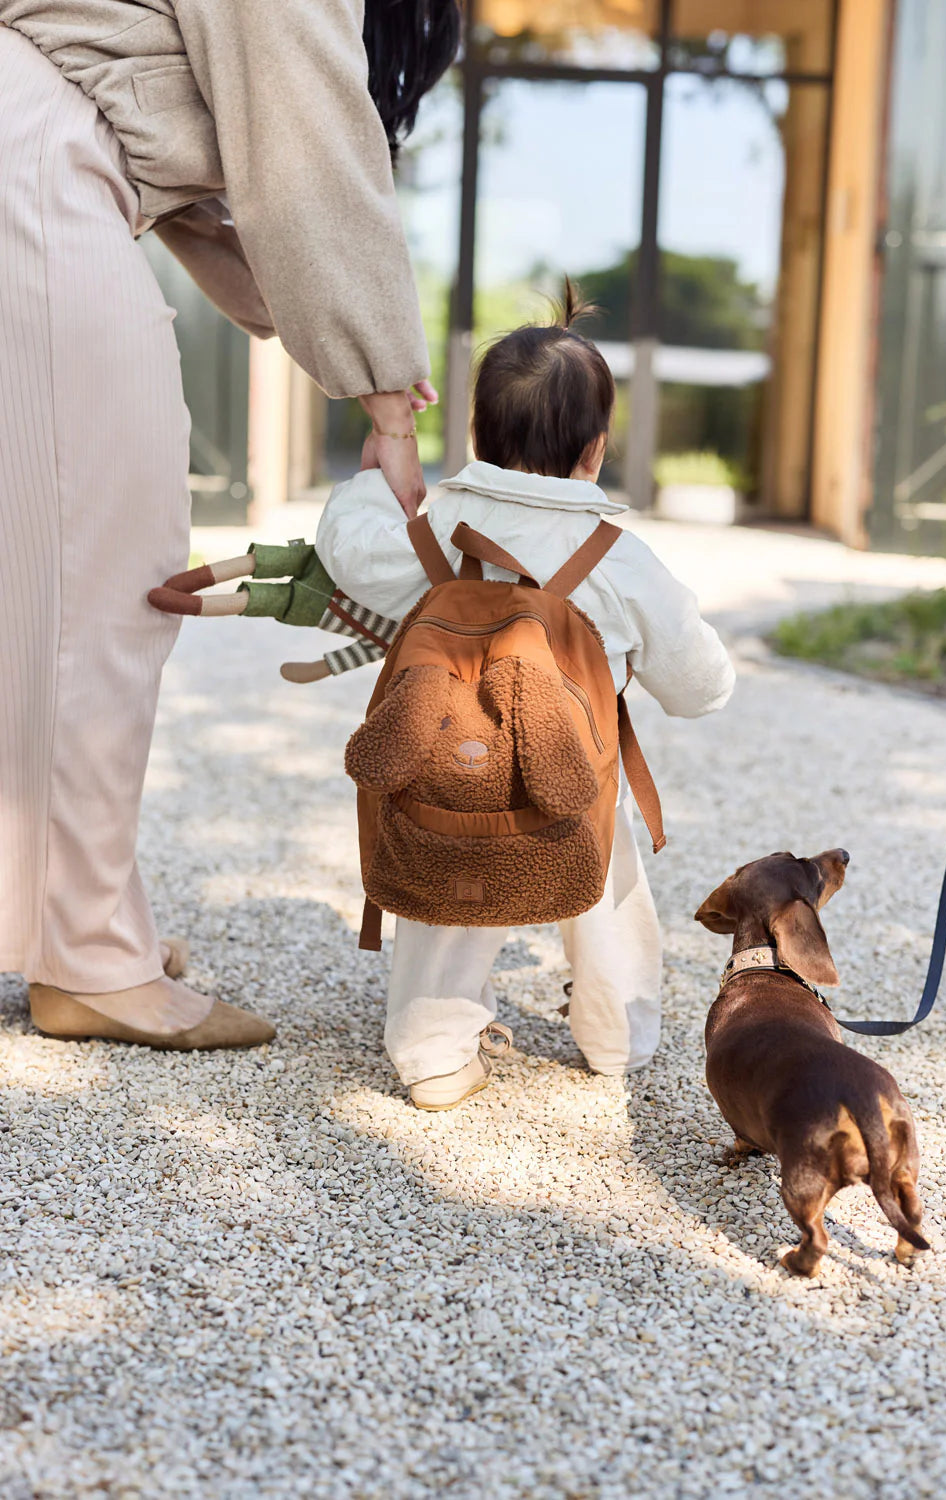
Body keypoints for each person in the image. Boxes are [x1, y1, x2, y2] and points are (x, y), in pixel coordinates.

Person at [0, 0, 460, 1048]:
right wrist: (386, 393)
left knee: (29, 582)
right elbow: (305, 135)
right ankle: (87, 959)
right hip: (30, 172)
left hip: (25, 145)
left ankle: (60, 909)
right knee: (108, 587)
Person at [315, 288, 736, 1109]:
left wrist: (372, 481)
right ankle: (616, 1035)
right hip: (573, 777)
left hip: (446, 767)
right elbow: (697, 688)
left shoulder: (435, 526)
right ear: (596, 450)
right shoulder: (618, 557)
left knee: (447, 880)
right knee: (606, 885)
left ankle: (435, 1053)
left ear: (477, 436)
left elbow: (351, 553)